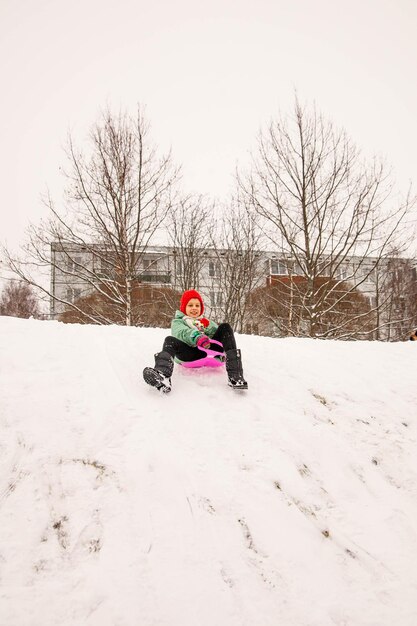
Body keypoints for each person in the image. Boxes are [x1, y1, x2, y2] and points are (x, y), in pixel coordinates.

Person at [143, 289, 248, 393]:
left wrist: (207, 328)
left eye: (197, 306)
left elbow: (220, 336)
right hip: (190, 354)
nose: (194, 308)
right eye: (190, 305)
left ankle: (235, 376)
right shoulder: (178, 322)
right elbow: (181, 333)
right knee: (169, 340)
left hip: (213, 354)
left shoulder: (207, 322)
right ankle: (163, 377)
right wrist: (197, 337)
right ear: (184, 308)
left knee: (225, 327)